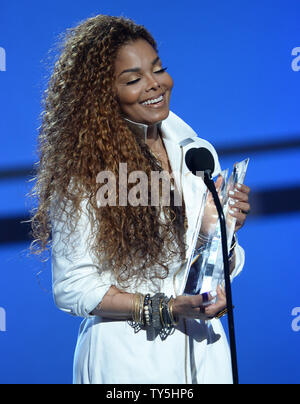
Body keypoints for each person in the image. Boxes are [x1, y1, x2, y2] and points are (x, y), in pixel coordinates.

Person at [29, 15, 251, 384]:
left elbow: (199, 267)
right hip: (127, 361)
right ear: (102, 94)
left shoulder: (195, 152)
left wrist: (219, 233)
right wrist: (165, 308)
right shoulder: (82, 175)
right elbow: (74, 288)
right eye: (133, 79)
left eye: (158, 69)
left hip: (203, 355)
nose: (155, 85)